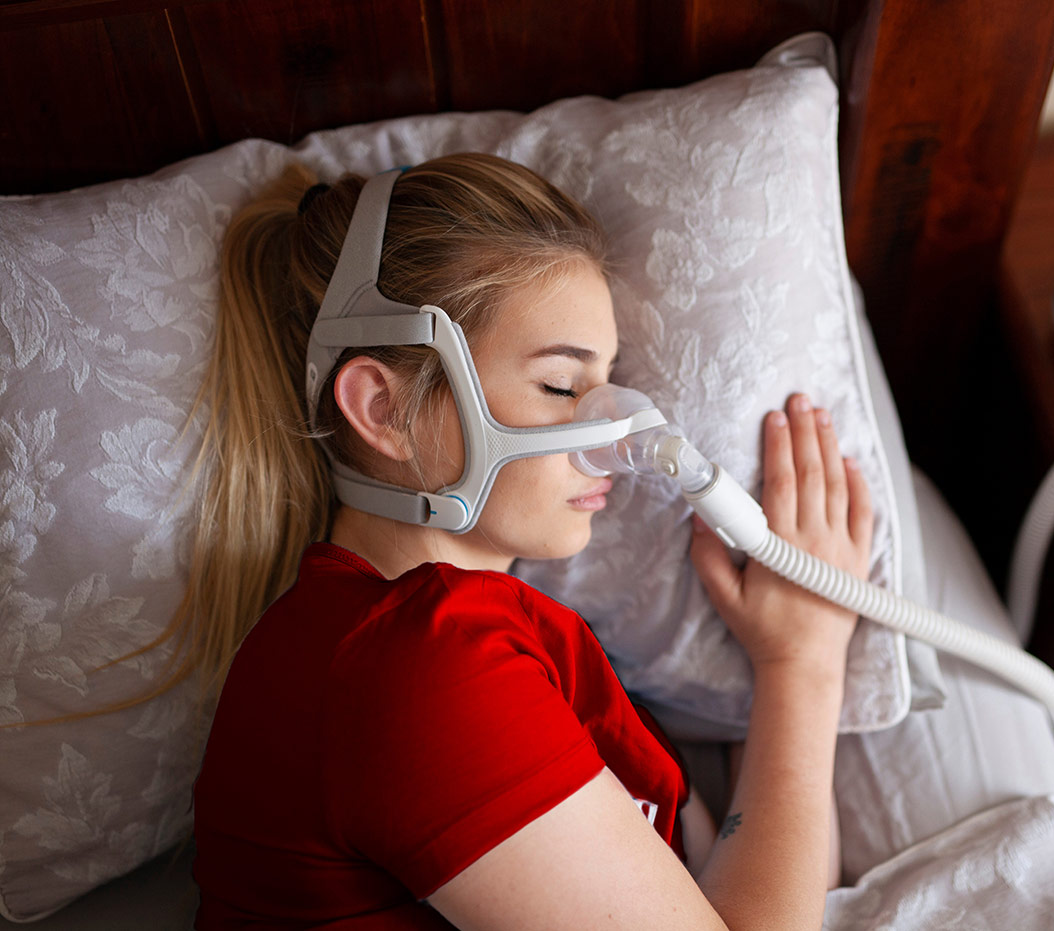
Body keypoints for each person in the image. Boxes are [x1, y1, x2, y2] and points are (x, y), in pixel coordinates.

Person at [190, 152, 873, 930]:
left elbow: (763, 892)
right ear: (383, 407)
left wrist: (796, 661)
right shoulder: (418, 667)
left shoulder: (507, 644)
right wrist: (804, 666)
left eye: (609, 381)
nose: (616, 429)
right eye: (561, 385)